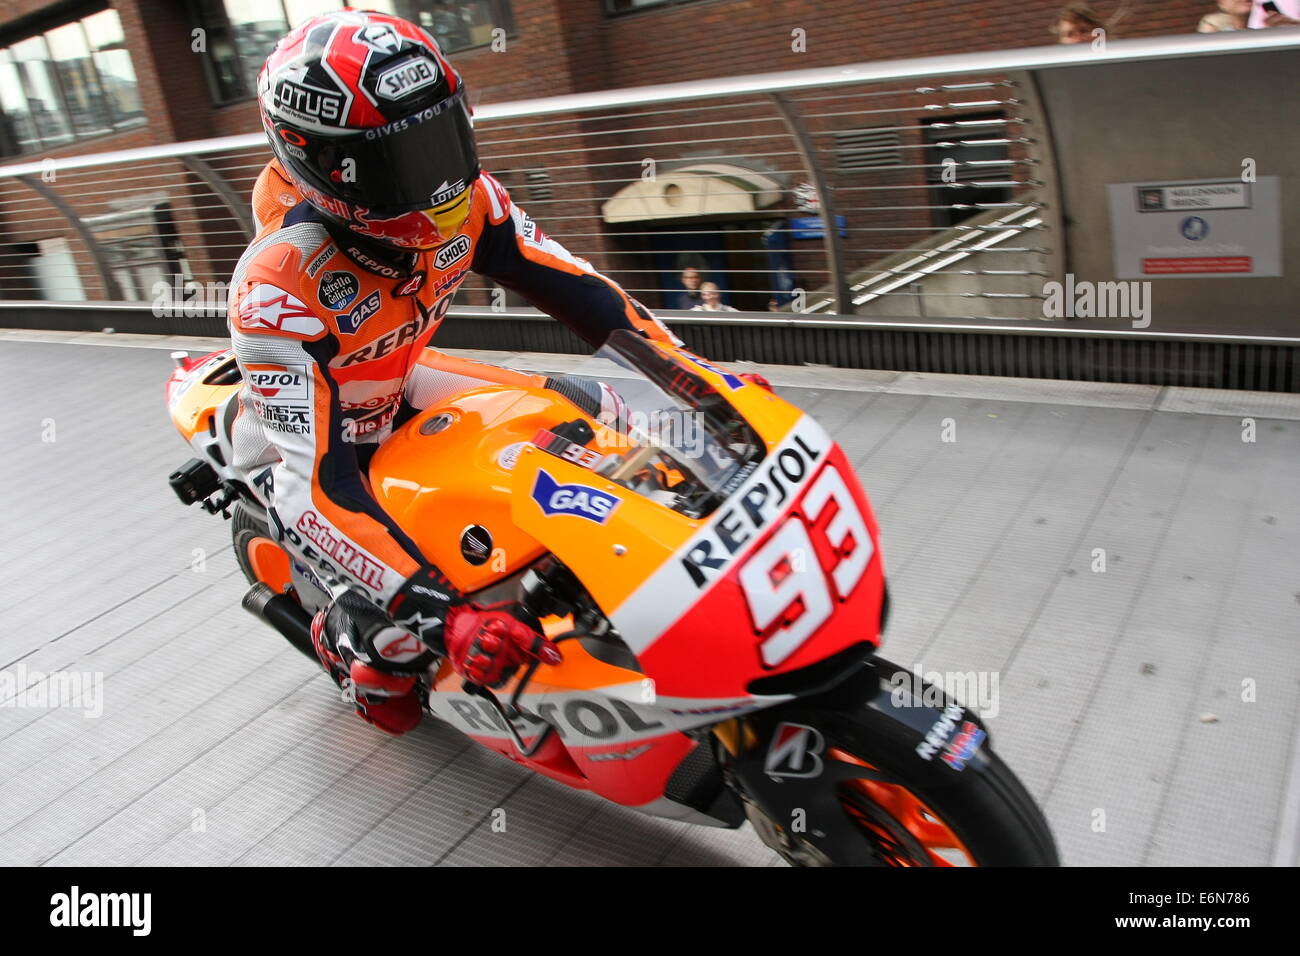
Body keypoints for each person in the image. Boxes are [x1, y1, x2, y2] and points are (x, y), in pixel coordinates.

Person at [229, 10, 681, 735]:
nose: (440, 181)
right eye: (403, 160)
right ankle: (344, 637)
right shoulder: (276, 285)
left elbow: (588, 295)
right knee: (396, 672)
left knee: (595, 410)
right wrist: (442, 613)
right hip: (314, 449)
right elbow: (313, 486)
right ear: (326, 166)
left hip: (398, 381)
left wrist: (697, 380)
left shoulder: (473, 200)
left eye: (444, 139)